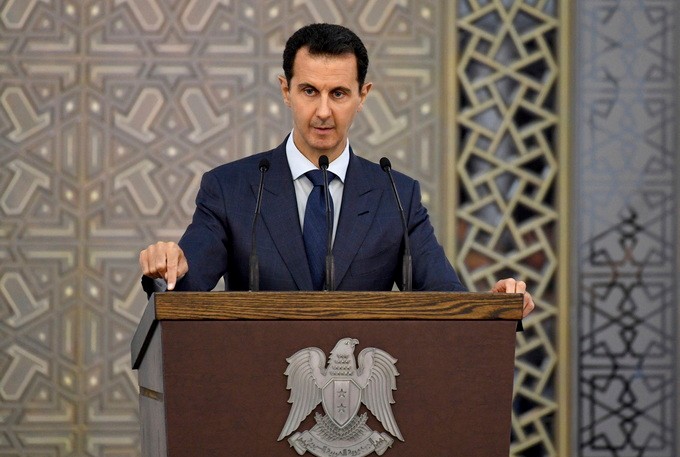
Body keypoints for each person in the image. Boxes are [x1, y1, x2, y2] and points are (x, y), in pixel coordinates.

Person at [139, 23, 535, 318]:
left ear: (363, 95)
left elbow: (444, 297)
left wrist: (492, 307)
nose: (324, 111)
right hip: (256, 388)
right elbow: (183, 290)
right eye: (309, 91)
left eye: (339, 93)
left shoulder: (397, 197)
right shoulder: (231, 188)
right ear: (286, 91)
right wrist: (167, 268)